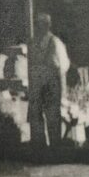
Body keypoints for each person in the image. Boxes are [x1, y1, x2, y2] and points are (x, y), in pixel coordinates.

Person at [28, 12, 70, 146]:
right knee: (36, 116)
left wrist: (61, 86)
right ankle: (39, 147)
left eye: (43, 24)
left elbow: (64, 65)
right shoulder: (32, 43)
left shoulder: (55, 42)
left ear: (48, 25)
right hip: (36, 83)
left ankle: (55, 146)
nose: (40, 27)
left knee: (52, 116)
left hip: (52, 83)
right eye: (38, 24)